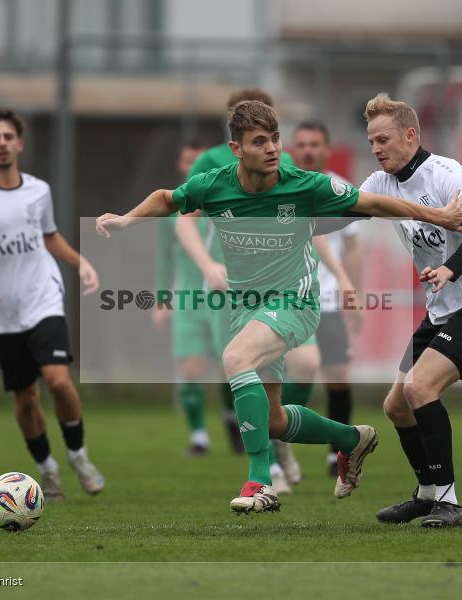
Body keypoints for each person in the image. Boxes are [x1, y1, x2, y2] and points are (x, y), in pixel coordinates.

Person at [96, 100, 462, 513]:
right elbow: (169, 198)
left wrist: (436, 215)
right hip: (247, 308)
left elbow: (374, 204)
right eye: (260, 142)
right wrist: (126, 219)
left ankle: (260, 481)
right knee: (273, 420)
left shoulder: (304, 185)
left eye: (275, 139)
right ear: (237, 149)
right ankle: (353, 439)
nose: (273, 148)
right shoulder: (214, 184)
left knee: (235, 358)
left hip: (295, 300)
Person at [359, 93, 462, 527]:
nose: (376, 148)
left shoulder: (448, 175)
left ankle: (449, 501)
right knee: (396, 406)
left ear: (410, 135)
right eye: (371, 141)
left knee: (420, 389)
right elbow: (343, 210)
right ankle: (427, 494)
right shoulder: (379, 184)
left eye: (384, 139)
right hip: (442, 312)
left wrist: (448, 269)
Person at [0, 107, 105, 502]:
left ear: (19, 144)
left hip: (42, 296)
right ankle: (47, 470)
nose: (2, 144)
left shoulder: (38, 190)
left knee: (60, 381)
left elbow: (49, 236)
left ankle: (78, 455)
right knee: (26, 398)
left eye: (7, 137)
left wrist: (81, 262)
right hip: (2, 311)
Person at [176, 88, 322, 495]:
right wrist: (208, 266)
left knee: (304, 363)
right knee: (241, 364)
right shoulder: (211, 165)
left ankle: (278, 442)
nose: (270, 144)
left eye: (273, 132)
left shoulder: (283, 163)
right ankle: (268, 465)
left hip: (289, 289)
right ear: (234, 138)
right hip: (235, 288)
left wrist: (341, 274)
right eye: (256, 134)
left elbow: (311, 222)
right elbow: (182, 218)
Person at [152, 140, 244, 455]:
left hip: (224, 296)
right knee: (191, 367)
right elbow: (165, 259)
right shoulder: (172, 212)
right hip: (189, 299)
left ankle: (233, 419)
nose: (193, 166)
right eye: (187, 160)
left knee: (229, 367)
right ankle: (199, 437)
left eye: (198, 160)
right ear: (182, 166)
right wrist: (162, 300)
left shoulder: (223, 203)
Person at [291, 119, 364, 477]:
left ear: (326, 149)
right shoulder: (282, 187)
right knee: (293, 372)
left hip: (330, 300)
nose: (307, 150)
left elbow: (352, 246)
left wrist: (356, 292)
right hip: (289, 299)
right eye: (301, 144)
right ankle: (280, 444)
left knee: (338, 376)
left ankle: (338, 454)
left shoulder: (339, 189)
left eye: (314, 144)